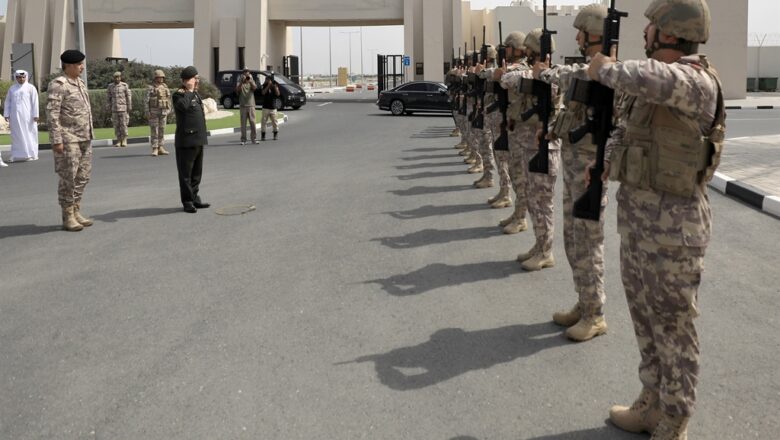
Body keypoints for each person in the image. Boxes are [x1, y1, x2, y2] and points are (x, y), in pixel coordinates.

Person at [587, 0, 724, 438]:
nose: (642, 32)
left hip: (675, 234)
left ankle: (675, 418)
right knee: (646, 321)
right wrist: (608, 161)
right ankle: (651, 402)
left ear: (668, 33)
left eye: (649, 25)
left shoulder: (694, 80)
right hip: (640, 226)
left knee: (674, 327)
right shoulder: (650, 88)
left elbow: (650, 77)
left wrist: (604, 67)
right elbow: (626, 131)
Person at [532, 3, 610, 341]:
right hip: (574, 169)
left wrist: (545, 72)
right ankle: (584, 301)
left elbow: (567, 77)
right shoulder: (586, 74)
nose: (576, 37)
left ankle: (595, 315)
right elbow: (571, 98)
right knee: (573, 240)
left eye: (581, 32)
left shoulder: (608, 75)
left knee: (588, 243)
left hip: (590, 174)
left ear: (596, 35)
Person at [501, 29, 561, 271]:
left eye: (528, 49)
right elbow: (506, 80)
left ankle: (546, 251)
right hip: (530, 142)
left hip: (544, 146)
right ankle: (539, 246)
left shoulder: (553, 75)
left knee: (542, 202)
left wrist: (539, 75)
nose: (525, 52)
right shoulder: (532, 73)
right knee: (535, 201)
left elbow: (511, 78)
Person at [46, 49, 95, 232]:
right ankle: (67, 215)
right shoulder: (58, 84)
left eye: (82, 64)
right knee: (69, 178)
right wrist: (56, 140)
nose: (82, 67)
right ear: (68, 66)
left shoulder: (80, 83)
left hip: (85, 137)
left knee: (83, 176)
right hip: (68, 139)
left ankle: (76, 210)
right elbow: (52, 114)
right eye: (79, 64)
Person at [494, 31, 529, 234]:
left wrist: (500, 72)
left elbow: (503, 79)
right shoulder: (512, 69)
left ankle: (521, 217)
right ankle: (518, 214)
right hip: (513, 127)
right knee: (516, 175)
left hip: (523, 132)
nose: (505, 50)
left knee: (520, 177)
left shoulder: (522, 69)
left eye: (508, 46)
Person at [172, 66, 209, 213]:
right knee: (185, 174)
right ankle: (187, 201)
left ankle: (194, 198)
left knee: (196, 173)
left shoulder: (195, 94)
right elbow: (183, 107)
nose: (197, 80)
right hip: (186, 140)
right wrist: (188, 91)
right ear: (188, 80)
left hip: (198, 139)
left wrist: (192, 91)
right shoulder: (179, 95)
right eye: (195, 78)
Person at [3, 70, 39, 162]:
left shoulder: (31, 88)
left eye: (23, 77)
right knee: (16, 135)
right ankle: (16, 155)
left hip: (28, 117)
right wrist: (6, 114)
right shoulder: (12, 89)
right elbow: (8, 102)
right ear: (16, 78)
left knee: (29, 134)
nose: (21, 79)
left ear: (26, 77)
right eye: (19, 77)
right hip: (14, 116)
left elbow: (35, 102)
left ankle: (31, 154)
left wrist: (36, 114)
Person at [146, 69, 171, 156]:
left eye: (162, 77)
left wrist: (169, 109)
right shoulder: (151, 88)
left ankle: (161, 147)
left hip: (163, 112)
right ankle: (155, 148)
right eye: (159, 77)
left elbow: (168, 99)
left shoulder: (165, 87)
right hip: (154, 112)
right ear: (155, 78)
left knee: (162, 130)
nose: (161, 79)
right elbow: (146, 101)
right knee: (154, 130)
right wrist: (147, 112)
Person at [107, 71, 132, 147]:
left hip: (123, 108)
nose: (117, 78)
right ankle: (118, 140)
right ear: (113, 78)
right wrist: (108, 106)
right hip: (114, 109)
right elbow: (108, 98)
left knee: (124, 125)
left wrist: (129, 105)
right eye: (115, 77)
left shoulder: (124, 86)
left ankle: (124, 140)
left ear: (120, 77)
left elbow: (128, 96)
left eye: (118, 77)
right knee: (116, 125)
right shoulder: (110, 86)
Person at [236, 68, 258, 145]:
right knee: (243, 124)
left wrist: (250, 80)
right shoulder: (240, 81)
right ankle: (243, 139)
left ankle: (254, 139)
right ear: (243, 74)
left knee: (253, 123)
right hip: (243, 105)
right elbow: (237, 90)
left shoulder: (251, 81)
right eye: (245, 72)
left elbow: (255, 88)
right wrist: (242, 82)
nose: (246, 74)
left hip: (251, 105)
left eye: (247, 72)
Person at [260, 73, 280, 141]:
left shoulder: (274, 85)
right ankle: (263, 135)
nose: (268, 81)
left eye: (269, 80)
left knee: (275, 122)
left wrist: (275, 87)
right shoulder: (264, 85)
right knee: (263, 122)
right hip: (265, 107)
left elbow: (278, 94)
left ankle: (275, 133)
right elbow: (263, 93)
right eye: (267, 79)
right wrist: (268, 85)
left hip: (273, 108)